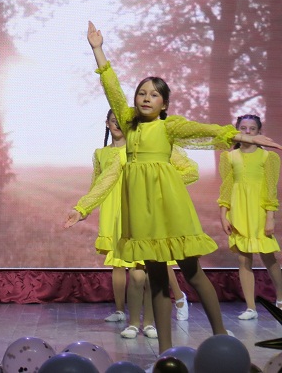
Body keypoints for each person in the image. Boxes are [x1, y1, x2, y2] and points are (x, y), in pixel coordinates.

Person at [86, 21, 282, 352]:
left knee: (193, 272)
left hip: (169, 204)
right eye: (142, 93)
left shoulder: (169, 127)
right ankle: (165, 352)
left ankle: (221, 335)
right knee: (156, 278)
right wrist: (97, 49)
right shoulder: (129, 125)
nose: (146, 98)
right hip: (142, 210)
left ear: (164, 104)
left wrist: (243, 136)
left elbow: (207, 130)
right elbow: (111, 86)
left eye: (154, 94)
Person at [64, 110, 197, 339]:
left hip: (148, 211)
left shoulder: (156, 147)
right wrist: (82, 209)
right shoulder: (113, 154)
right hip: (120, 211)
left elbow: (190, 171)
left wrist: (163, 183)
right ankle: (130, 319)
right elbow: (101, 183)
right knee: (131, 269)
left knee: (155, 266)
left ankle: (162, 313)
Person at [218, 114, 282, 320]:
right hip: (239, 211)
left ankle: (281, 299)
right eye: (243, 128)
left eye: (252, 129)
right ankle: (251, 308)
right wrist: (224, 215)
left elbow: (270, 189)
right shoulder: (229, 157)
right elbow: (226, 187)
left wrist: (270, 217)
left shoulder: (267, 157)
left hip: (259, 211)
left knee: (268, 256)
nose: (247, 132)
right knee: (244, 258)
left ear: (259, 132)